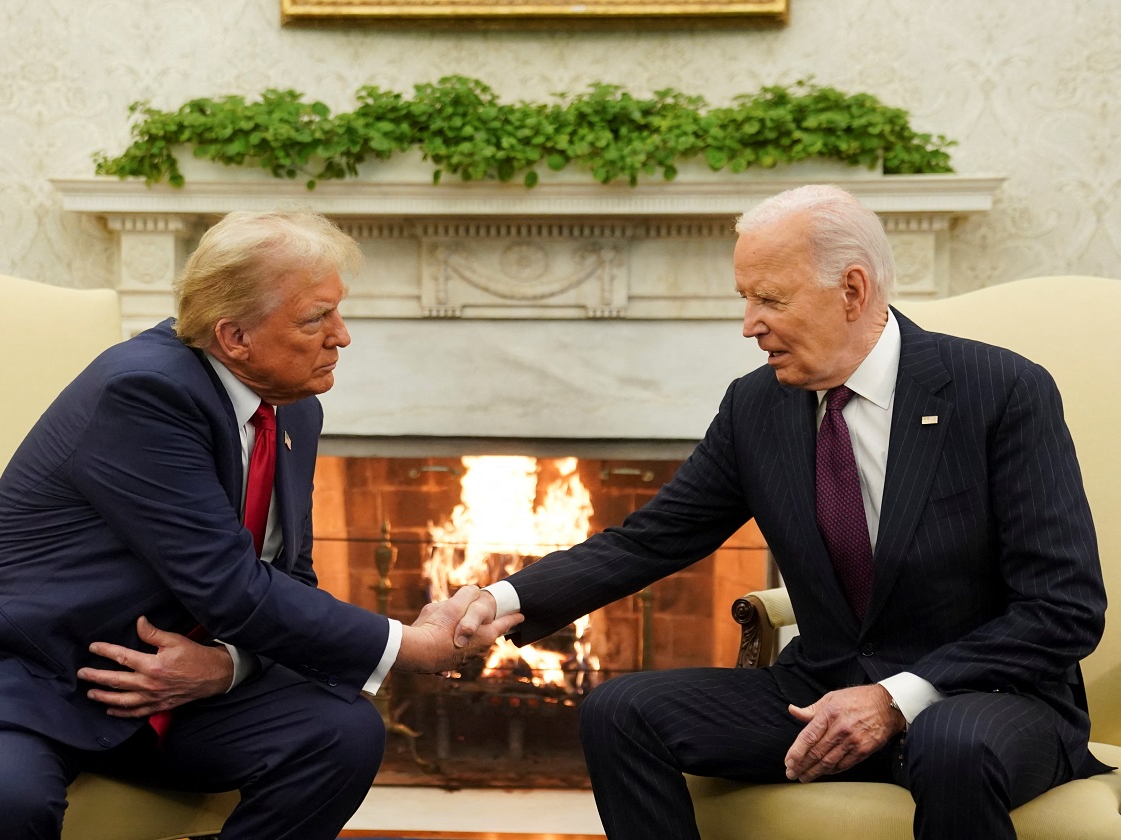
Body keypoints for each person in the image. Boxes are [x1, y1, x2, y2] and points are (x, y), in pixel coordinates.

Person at [454, 184, 1109, 840]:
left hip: (982, 700)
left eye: (769, 298)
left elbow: (1063, 608)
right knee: (620, 711)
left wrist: (895, 697)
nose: (749, 323)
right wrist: (500, 598)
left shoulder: (1000, 391)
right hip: (821, 689)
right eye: (745, 297)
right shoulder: (756, 408)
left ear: (852, 290)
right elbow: (650, 539)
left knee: (952, 747)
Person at [0, 209, 520, 840]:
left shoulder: (291, 410)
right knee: (0, 804)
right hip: (22, 675)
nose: (341, 335)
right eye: (317, 317)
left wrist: (227, 667)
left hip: (159, 691)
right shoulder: (144, 391)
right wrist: (410, 645)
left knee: (339, 732)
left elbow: (288, 579)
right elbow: (231, 587)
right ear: (233, 335)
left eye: (337, 310)